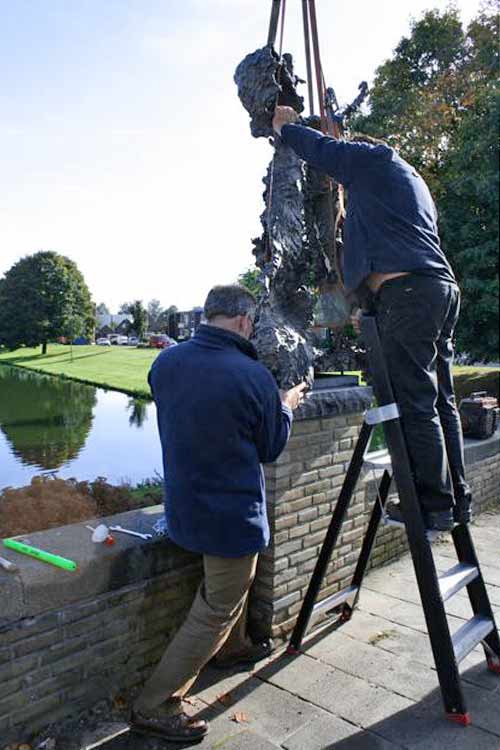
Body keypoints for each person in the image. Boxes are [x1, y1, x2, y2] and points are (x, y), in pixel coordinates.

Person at [272, 105, 472, 533]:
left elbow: (327, 153)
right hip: (438, 291)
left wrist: (285, 127)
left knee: (417, 402)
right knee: (441, 401)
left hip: (409, 295)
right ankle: (457, 499)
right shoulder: (411, 182)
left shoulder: (374, 159)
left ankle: (431, 505)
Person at [130, 284, 306, 743]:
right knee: (217, 608)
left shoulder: (165, 363)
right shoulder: (253, 376)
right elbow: (270, 448)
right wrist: (285, 407)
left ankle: (235, 649)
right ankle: (154, 704)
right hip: (230, 516)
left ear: (208, 315)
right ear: (246, 321)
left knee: (229, 592)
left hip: (185, 509)